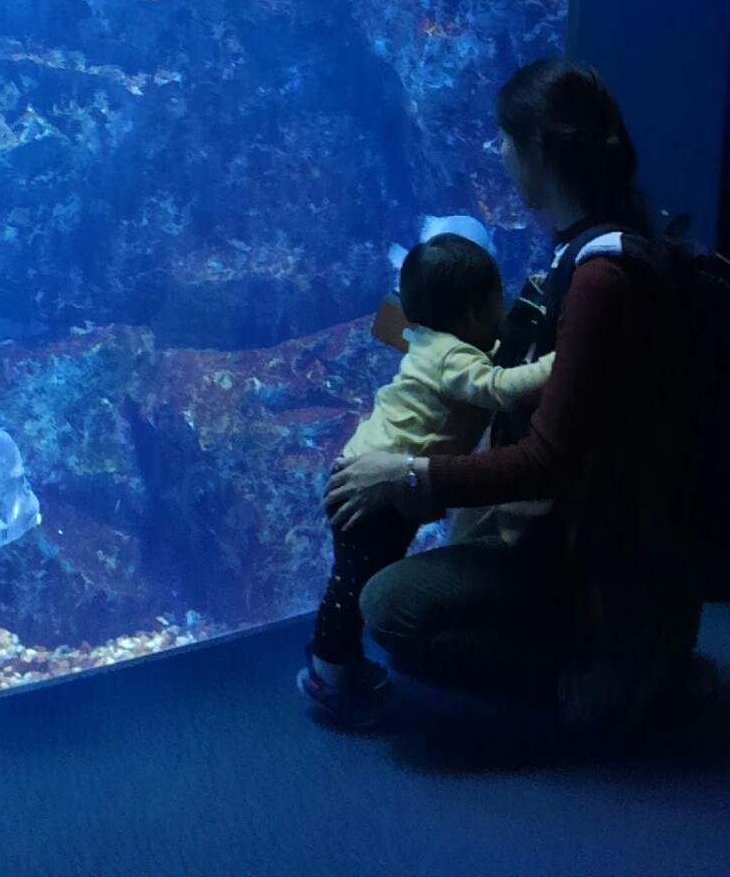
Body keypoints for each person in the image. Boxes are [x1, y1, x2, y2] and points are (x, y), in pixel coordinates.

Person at [324, 60, 707, 731]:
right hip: (575, 534)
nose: (496, 154)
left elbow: (545, 461)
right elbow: (479, 348)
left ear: (537, 149)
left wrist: (408, 473)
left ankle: (594, 678)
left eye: (504, 139)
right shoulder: (585, 251)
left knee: (389, 607)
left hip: (593, 558)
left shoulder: (600, 282)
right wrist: (395, 322)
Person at [299, 230, 555, 727]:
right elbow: (500, 387)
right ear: (469, 314)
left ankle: (339, 661)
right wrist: (556, 364)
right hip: (372, 493)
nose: (500, 313)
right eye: (494, 304)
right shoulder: (453, 357)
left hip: (368, 477)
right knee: (354, 585)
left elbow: (492, 351)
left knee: (358, 579)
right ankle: (327, 677)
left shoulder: (427, 338)